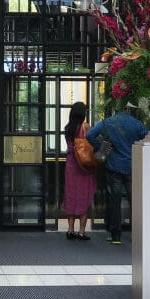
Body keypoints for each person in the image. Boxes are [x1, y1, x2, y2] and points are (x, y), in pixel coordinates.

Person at [86, 107, 149, 245]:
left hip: (113, 166)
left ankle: (115, 235)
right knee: (136, 201)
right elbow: (147, 136)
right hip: (132, 166)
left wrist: (102, 146)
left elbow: (90, 135)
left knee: (115, 201)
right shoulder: (136, 123)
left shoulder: (108, 122)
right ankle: (138, 234)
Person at [61, 101, 97, 241]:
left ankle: (70, 230)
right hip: (84, 165)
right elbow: (94, 143)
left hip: (71, 164)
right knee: (84, 196)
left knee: (71, 195)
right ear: (83, 114)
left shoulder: (68, 128)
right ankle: (82, 232)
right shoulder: (86, 127)